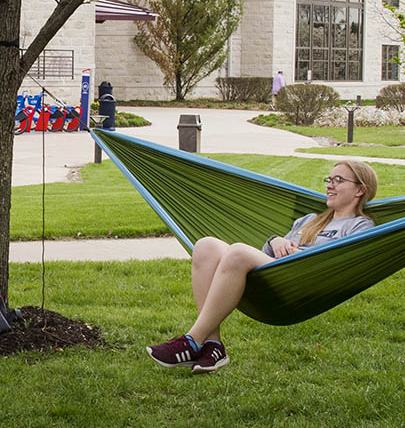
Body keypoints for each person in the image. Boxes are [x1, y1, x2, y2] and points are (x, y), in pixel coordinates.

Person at [145, 160, 379, 373]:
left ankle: (192, 340)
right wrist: (275, 240)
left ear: (360, 190)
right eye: (329, 180)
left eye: (339, 180)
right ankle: (212, 346)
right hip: (275, 273)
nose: (330, 185)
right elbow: (265, 254)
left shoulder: (360, 226)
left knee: (237, 251)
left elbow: (340, 262)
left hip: (301, 280)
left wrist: (302, 254)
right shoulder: (309, 219)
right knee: (206, 246)